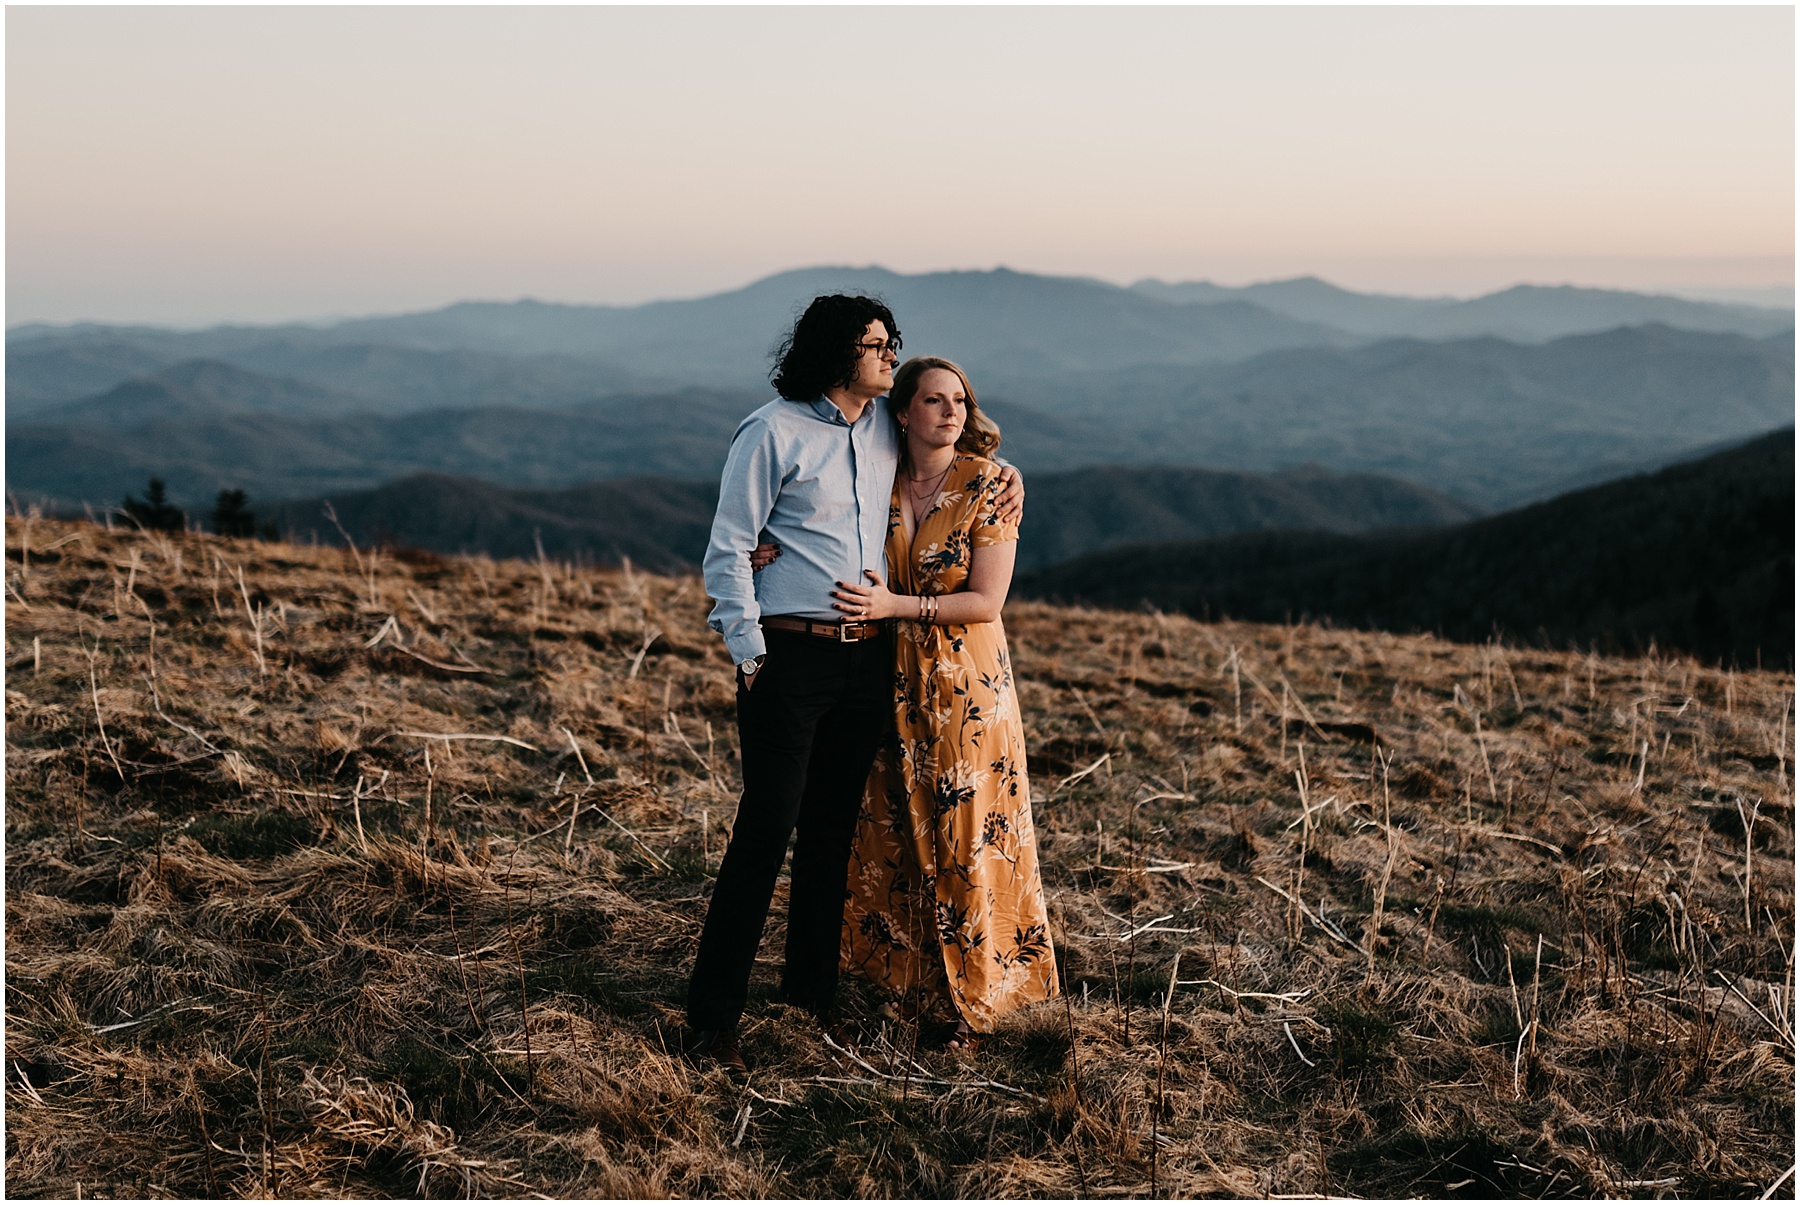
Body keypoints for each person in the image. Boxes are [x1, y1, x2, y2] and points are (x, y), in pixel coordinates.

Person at [684, 296, 1023, 1075]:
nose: (888, 354)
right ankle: (711, 1022)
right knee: (766, 831)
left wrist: (1010, 480)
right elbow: (728, 549)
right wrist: (749, 649)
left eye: (890, 342)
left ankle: (809, 997)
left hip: (867, 658)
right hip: (789, 658)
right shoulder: (770, 430)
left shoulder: (881, 428)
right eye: (875, 343)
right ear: (837, 353)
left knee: (833, 833)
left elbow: (958, 455)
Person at [829, 356, 1058, 1053]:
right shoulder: (878, 476)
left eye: (959, 399)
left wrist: (898, 605)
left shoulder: (987, 483)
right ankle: (901, 991)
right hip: (888, 683)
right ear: (903, 411)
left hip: (966, 691)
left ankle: (979, 1000)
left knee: (966, 836)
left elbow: (987, 600)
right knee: (893, 831)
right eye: (934, 400)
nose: (951, 411)